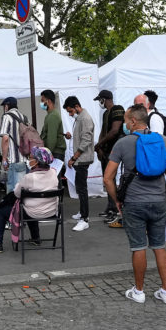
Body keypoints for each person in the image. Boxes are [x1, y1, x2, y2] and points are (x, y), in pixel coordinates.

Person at [104, 104, 166, 305]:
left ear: (133, 121)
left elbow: (107, 178)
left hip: (134, 202)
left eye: (127, 120)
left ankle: (139, 291)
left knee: (138, 248)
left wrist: (117, 200)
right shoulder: (164, 141)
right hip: (158, 202)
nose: (125, 124)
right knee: (159, 246)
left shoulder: (123, 143)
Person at [0, 146, 59, 253]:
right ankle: (36, 238)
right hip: (51, 212)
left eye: (31, 158)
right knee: (32, 204)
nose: (28, 160)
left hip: (32, 212)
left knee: (1, 210)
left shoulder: (30, 177)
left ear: (36, 162)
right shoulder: (53, 173)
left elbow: (17, 193)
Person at [63, 96, 94, 232]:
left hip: (82, 159)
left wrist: (74, 158)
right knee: (80, 187)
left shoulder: (85, 118)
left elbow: (86, 140)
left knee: (82, 189)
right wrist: (71, 136)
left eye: (70, 111)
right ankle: (82, 213)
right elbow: (81, 137)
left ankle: (85, 219)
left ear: (76, 106)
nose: (70, 114)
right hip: (80, 159)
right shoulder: (80, 117)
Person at [94, 89, 125, 221]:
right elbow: (103, 131)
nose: (99, 103)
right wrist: (99, 147)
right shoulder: (106, 113)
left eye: (100, 100)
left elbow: (114, 131)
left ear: (104, 99)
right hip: (106, 150)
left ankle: (115, 208)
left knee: (110, 179)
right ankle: (110, 206)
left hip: (115, 150)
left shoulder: (117, 109)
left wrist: (99, 144)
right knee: (107, 179)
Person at [0, 97, 28, 194]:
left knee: (13, 192)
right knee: (23, 191)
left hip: (14, 160)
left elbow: (5, 139)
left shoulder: (7, 117)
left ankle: (14, 209)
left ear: (6, 106)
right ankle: (21, 209)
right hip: (25, 160)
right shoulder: (24, 117)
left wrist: (3, 159)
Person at [39, 90, 67, 162]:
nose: (41, 103)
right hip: (54, 152)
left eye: (42, 100)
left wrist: (46, 154)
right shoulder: (50, 115)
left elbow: (52, 139)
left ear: (49, 101)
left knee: (53, 173)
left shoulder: (53, 116)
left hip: (55, 153)